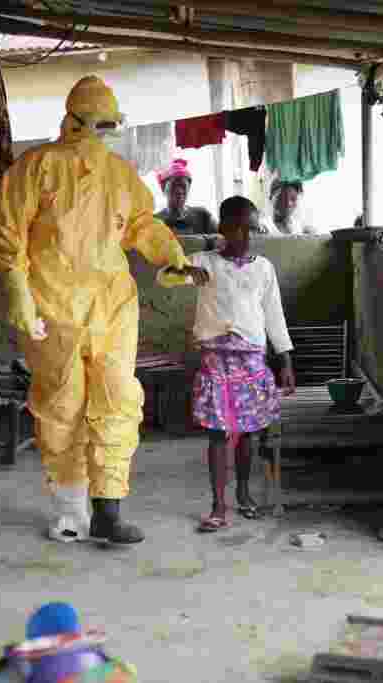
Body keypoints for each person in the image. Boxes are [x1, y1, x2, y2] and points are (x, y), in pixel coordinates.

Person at [0, 76, 208, 546]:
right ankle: (71, 511)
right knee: (62, 406)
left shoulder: (119, 173)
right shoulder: (36, 167)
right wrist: (20, 295)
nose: (105, 134)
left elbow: (143, 225)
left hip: (111, 304)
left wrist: (172, 256)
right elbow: (7, 234)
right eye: (99, 125)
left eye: (111, 126)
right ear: (74, 119)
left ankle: (109, 508)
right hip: (53, 303)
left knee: (118, 399)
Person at [159, 196, 296, 532]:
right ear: (224, 228)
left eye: (252, 229)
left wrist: (286, 360)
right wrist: (183, 268)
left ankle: (244, 495)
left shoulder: (263, 268)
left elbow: (274, 316)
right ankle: (218, 506)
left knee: (247, 432)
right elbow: (164, 277)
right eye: (239, 229)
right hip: (215, 358)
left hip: (251, 358)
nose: (246, 236)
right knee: (218, 434)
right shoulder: (204, 262)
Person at [154, 159, 223, 249]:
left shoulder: (203, 216)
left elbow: (222, 240)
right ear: (163, 188)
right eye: (174, 185)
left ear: (189, 188)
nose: (179, 190)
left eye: (183, 186)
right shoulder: (155, 221)